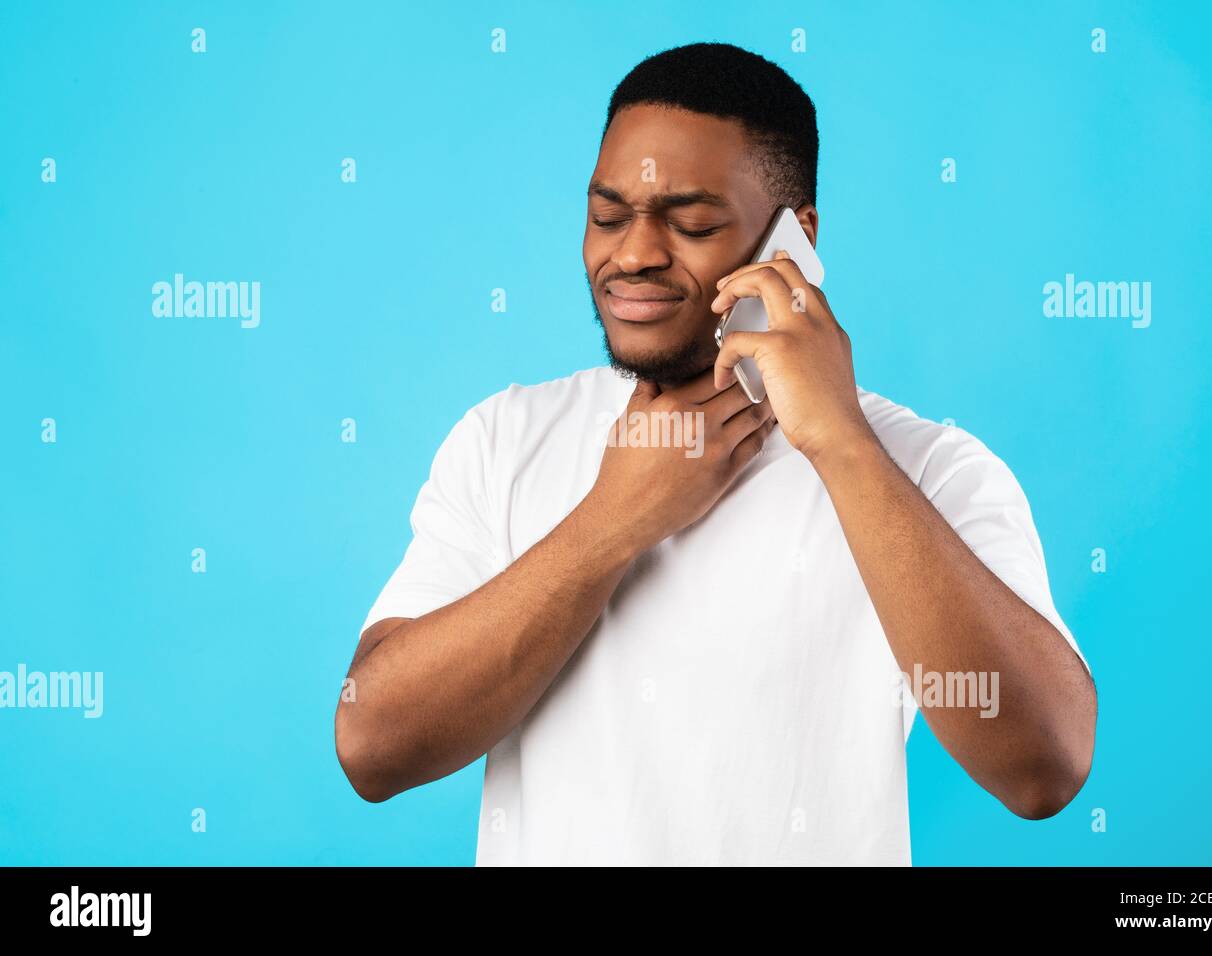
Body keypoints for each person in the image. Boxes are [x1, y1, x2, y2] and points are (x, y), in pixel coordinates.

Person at [335, 42, 1097, 865]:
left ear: (793, 239)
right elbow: (373, 746)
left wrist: (839, 442)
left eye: (691, 223)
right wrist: (611, 522)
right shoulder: (505, 438)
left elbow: (1045, 765)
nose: (632, 254)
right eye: (607, 215)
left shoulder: (928, 468)